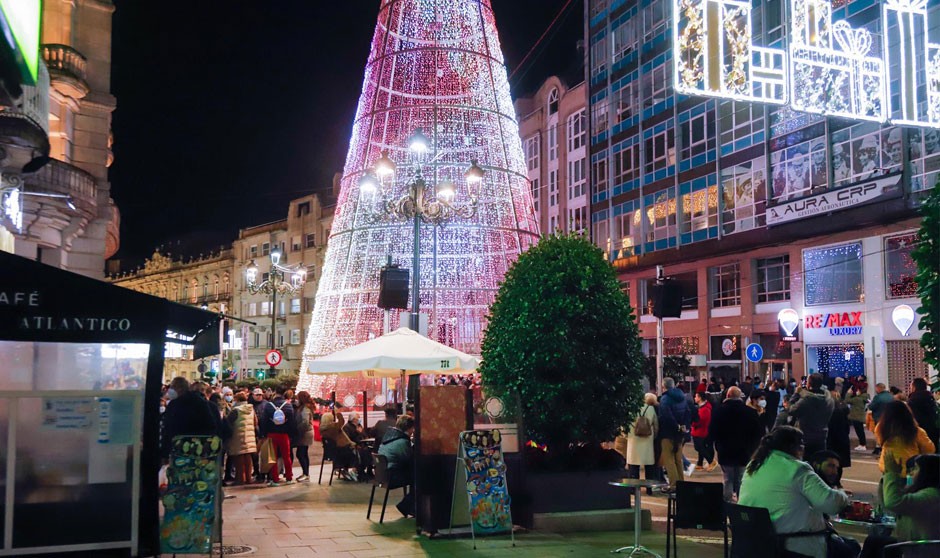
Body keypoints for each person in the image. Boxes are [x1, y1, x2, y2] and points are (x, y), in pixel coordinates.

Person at [738, 426, 851, 558]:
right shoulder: (797, 469)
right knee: (849, 548)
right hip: (792, 545)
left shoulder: (753, 466)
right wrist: (842, 493)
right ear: (794, 447)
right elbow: (831, 504)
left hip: (756, 545)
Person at [860, 453, 940, 558]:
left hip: (923, 550)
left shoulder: (931, 496)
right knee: (874, 541)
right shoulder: (921, 493)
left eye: (915, 468)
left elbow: (893, 502)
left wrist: (892, 473)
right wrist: (888, 475)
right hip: (912, 546)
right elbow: (888, 506)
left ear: (927, 473)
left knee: (875, 543)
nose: (910, 473)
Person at [708, 387, 763, 501]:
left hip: (725, 450)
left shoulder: (718, 411)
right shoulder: (750, 412)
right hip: (744, 451)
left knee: (728, 479)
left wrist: (713, 445)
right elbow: (758, 433)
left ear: (727, 396)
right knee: (741, 478)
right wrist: (753, 448)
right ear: (740, 397)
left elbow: (712, 431)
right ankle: (741, 501)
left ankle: (727, 502)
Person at [160, 376, 222, 461]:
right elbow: (212, 426)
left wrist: (164, 453)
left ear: (179, 388)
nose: (169, 390)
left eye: (172, 387)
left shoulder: (175, 404)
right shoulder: (202, 403)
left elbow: (168, 429)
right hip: (200, 450)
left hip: (179, 449)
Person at [874, 400, 935, 476]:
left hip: (888, 467)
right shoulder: (916, 431)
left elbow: (880, 442)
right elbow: (929, 449)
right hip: (910, 469)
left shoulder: (880, 428)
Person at [789, 373, 835, 458]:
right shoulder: (829, 399)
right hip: (822, 435)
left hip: (805, 436)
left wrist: (796, 394)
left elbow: (792, 410)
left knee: (806, 460)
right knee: (819, 460)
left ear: (809, 384)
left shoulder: (807, 400)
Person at [378, 415, 415, 517]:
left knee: (416, 477)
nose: (413, 431)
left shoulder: (388, 437)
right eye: (413, 428)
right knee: (420, 479)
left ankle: (409, 507)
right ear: (409, 428)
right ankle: (406, 506)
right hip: (392, 477)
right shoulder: (402, 441)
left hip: (382, 476)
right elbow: (408, 460)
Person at [658, 378, 691, 491]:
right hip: (680, 433)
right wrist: (683, 426)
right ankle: (681, 483)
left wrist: (676, 425)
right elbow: (688, 412)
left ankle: (673, 485)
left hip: (668, 432)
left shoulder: (665, 399)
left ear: (664, 386)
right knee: (678, 459)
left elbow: (666, 416)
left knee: (669, 459)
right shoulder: (682, 397)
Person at [258, 387, 296, 486]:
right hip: (284, 435)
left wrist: (264, 434)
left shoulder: (268, 405)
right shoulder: (288, 405)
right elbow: (292, 422)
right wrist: (291, 434)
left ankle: (274, 479)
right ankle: (289, 478)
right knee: (286, 456)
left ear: (275, 393)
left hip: (271, 434)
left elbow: (264, 421)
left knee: (272, 457)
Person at [626, 393, 660, 490]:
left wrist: (626, 435)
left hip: (633, 439)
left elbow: (626, 424)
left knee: (633, 465)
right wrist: (654, 436)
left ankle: (634, 488)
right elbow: (656, 424)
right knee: (649, 466)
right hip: (647, 439)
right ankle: (649, 488)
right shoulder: (650, 408)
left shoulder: (631, 408)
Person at [226, 392, 258, 485]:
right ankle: (248, 478)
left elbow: (228, 423)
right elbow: (255, 422)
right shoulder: (251, 409)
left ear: (237, 400)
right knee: (248, 458)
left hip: (238, 436)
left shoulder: (236, 410)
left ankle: (240, 479)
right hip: (250, 436)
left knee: (239, 459)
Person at [319, 408, 358, 481]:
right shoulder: (333, 427)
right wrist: (338, 413)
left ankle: (345, 470)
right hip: (341, 450)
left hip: (332, 452)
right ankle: (355, 470)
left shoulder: (322, 429)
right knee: (358, 452)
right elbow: (341, 422)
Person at [907, 378, 939, 449]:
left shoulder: (912, 400)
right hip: (933, 430)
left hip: (919, 431)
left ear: (914, 387)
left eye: (911, 386)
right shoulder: (931, 398)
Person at [293, 391, 315, 482]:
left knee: (301, 454)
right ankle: (305, 473)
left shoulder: (305, 409)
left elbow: (305, 422)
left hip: (305, 433)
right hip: (306, 433)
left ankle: (306, 474)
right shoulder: (304, 407)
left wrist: (297, 429)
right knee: (303, 453)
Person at [827, 389, 852, 470]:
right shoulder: (843, 408)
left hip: (832, 437)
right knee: (841, 461)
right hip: (843, 436)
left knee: (831, 460)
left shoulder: (829, 409)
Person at [691, 391, 716, 471]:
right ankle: (700, 463)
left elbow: (700, 421)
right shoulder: (704, 407)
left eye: (696, 396)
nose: (694, 398)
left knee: (699, 447)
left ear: (700, 398)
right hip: (701, 430)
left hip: (700, 431)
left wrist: (692, 423)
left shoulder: (704, 409)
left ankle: (711, 461)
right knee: (701, 447)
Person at [868, 383, 893, 455]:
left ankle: (879, 448)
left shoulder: (878, 397)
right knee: (888, 433)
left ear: (878, 388)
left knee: (879, 433)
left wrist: (870, 404)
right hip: (889, 417)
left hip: (879, 417)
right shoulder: (891, 396)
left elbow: (871, 407)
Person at [845, 385, 869, 451]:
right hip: (860, 416)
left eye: (858, 390)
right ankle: (862, 444)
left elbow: (847, 400)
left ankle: (862, 444)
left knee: (859, 432)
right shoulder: (865, 397)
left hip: (856, 417)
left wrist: (848, 393)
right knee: (861, 431)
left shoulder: (857, 399)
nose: (857, 392)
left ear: (860, 391)